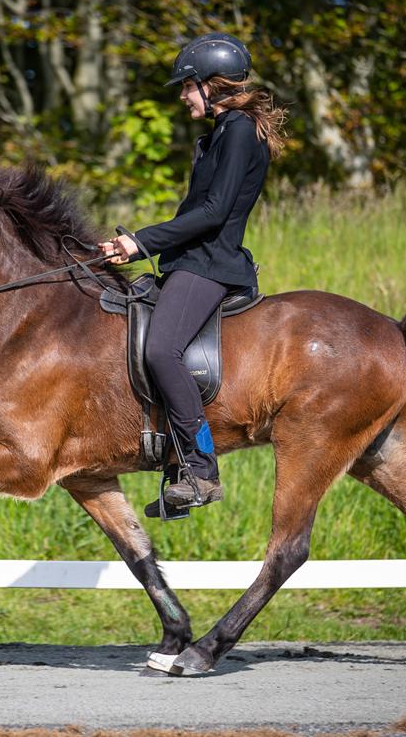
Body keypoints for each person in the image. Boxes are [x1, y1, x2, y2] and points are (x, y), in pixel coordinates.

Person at [99, 32, 286, 513]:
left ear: (213, 84)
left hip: (211, 264)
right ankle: (174, 461)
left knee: (162, 349)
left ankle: (201, 469)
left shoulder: (241, 129)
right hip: (190, 260)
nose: (182, 96)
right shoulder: (217, 136)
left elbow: (214, 212)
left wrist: (140, 241)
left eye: (187, 87)